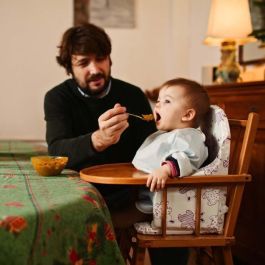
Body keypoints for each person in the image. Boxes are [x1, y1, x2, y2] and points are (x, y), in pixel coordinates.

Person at [44, 23, 156, 210]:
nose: (95, 69)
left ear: (110, 60)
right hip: (77, 194)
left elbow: (152, 148)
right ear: (69, 68)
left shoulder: (134, 95)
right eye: (83, 63)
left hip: (129, 194)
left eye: (101, 58)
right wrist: (98, 140)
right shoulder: (57, 98)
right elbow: (56, 152)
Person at [132, 77, 210, 214]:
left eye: (167, 101)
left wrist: (165, 170)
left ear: (187, 115)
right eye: (158, 101)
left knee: (113, 217)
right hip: (144, 193)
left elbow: (186, 157)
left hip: (164, 205)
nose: (157, 105)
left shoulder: (189, 137)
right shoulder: (165, 134)